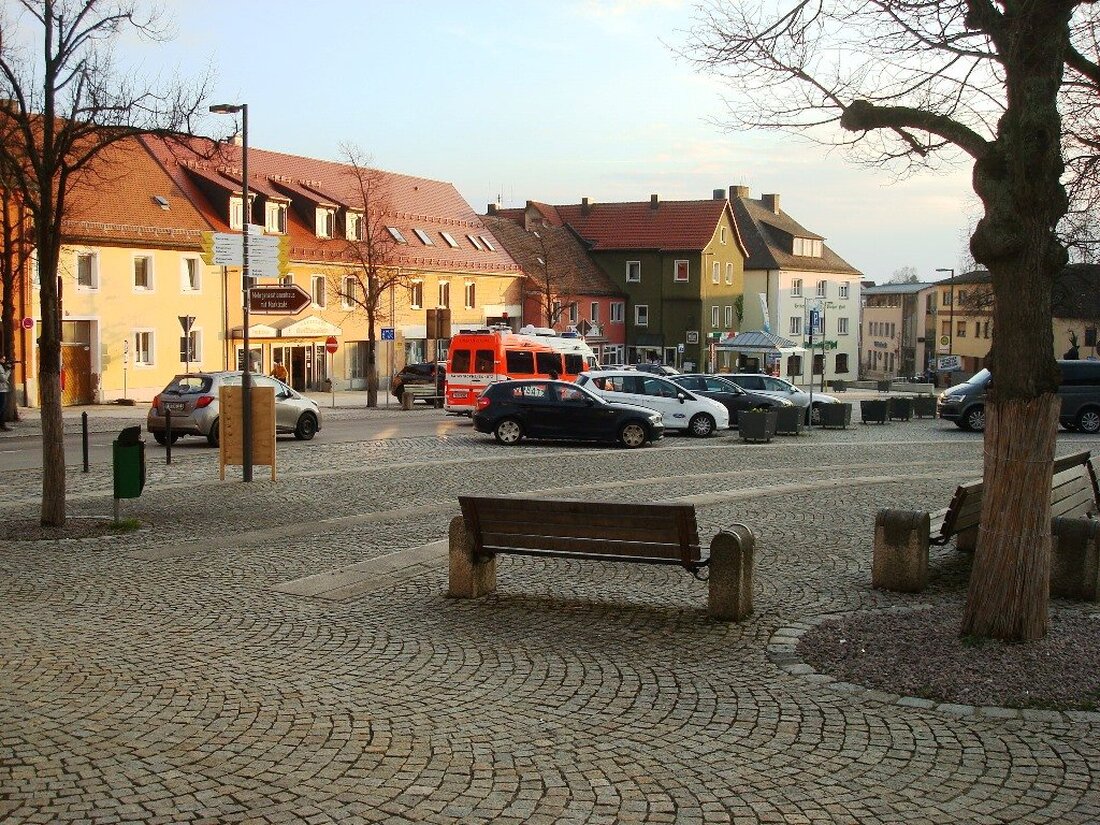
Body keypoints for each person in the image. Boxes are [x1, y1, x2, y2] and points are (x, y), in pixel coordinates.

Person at [0, 356, 11, 431]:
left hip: (2, 389)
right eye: (3, 358)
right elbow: (3, 379)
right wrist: (9, 370)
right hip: (1, 390)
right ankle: (2, 426)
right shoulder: (0, 367)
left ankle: (2, 425)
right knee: (1, 408)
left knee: (2, 409)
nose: (4, 360)